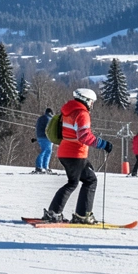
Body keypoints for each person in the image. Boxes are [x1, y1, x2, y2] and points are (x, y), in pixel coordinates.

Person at [42, 89, 113, 224]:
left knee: (80, 181)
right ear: (86, 100)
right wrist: (103, 144)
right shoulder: (82, 113)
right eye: (91, 102)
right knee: (87, 181)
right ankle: (81, 216)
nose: (92, 105)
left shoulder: (68, 111)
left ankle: (55, 213)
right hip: (75, 154)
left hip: (65, 152)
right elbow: (84, 136)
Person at [32, 108, 54, 174]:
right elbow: (50, 129)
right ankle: (40, 166)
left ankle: (43, 166)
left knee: (45, 150)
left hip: (39, 136)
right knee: (46, 151)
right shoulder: (49, 119)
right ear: (51, 113)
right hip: (46, 137)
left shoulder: (40, 118)